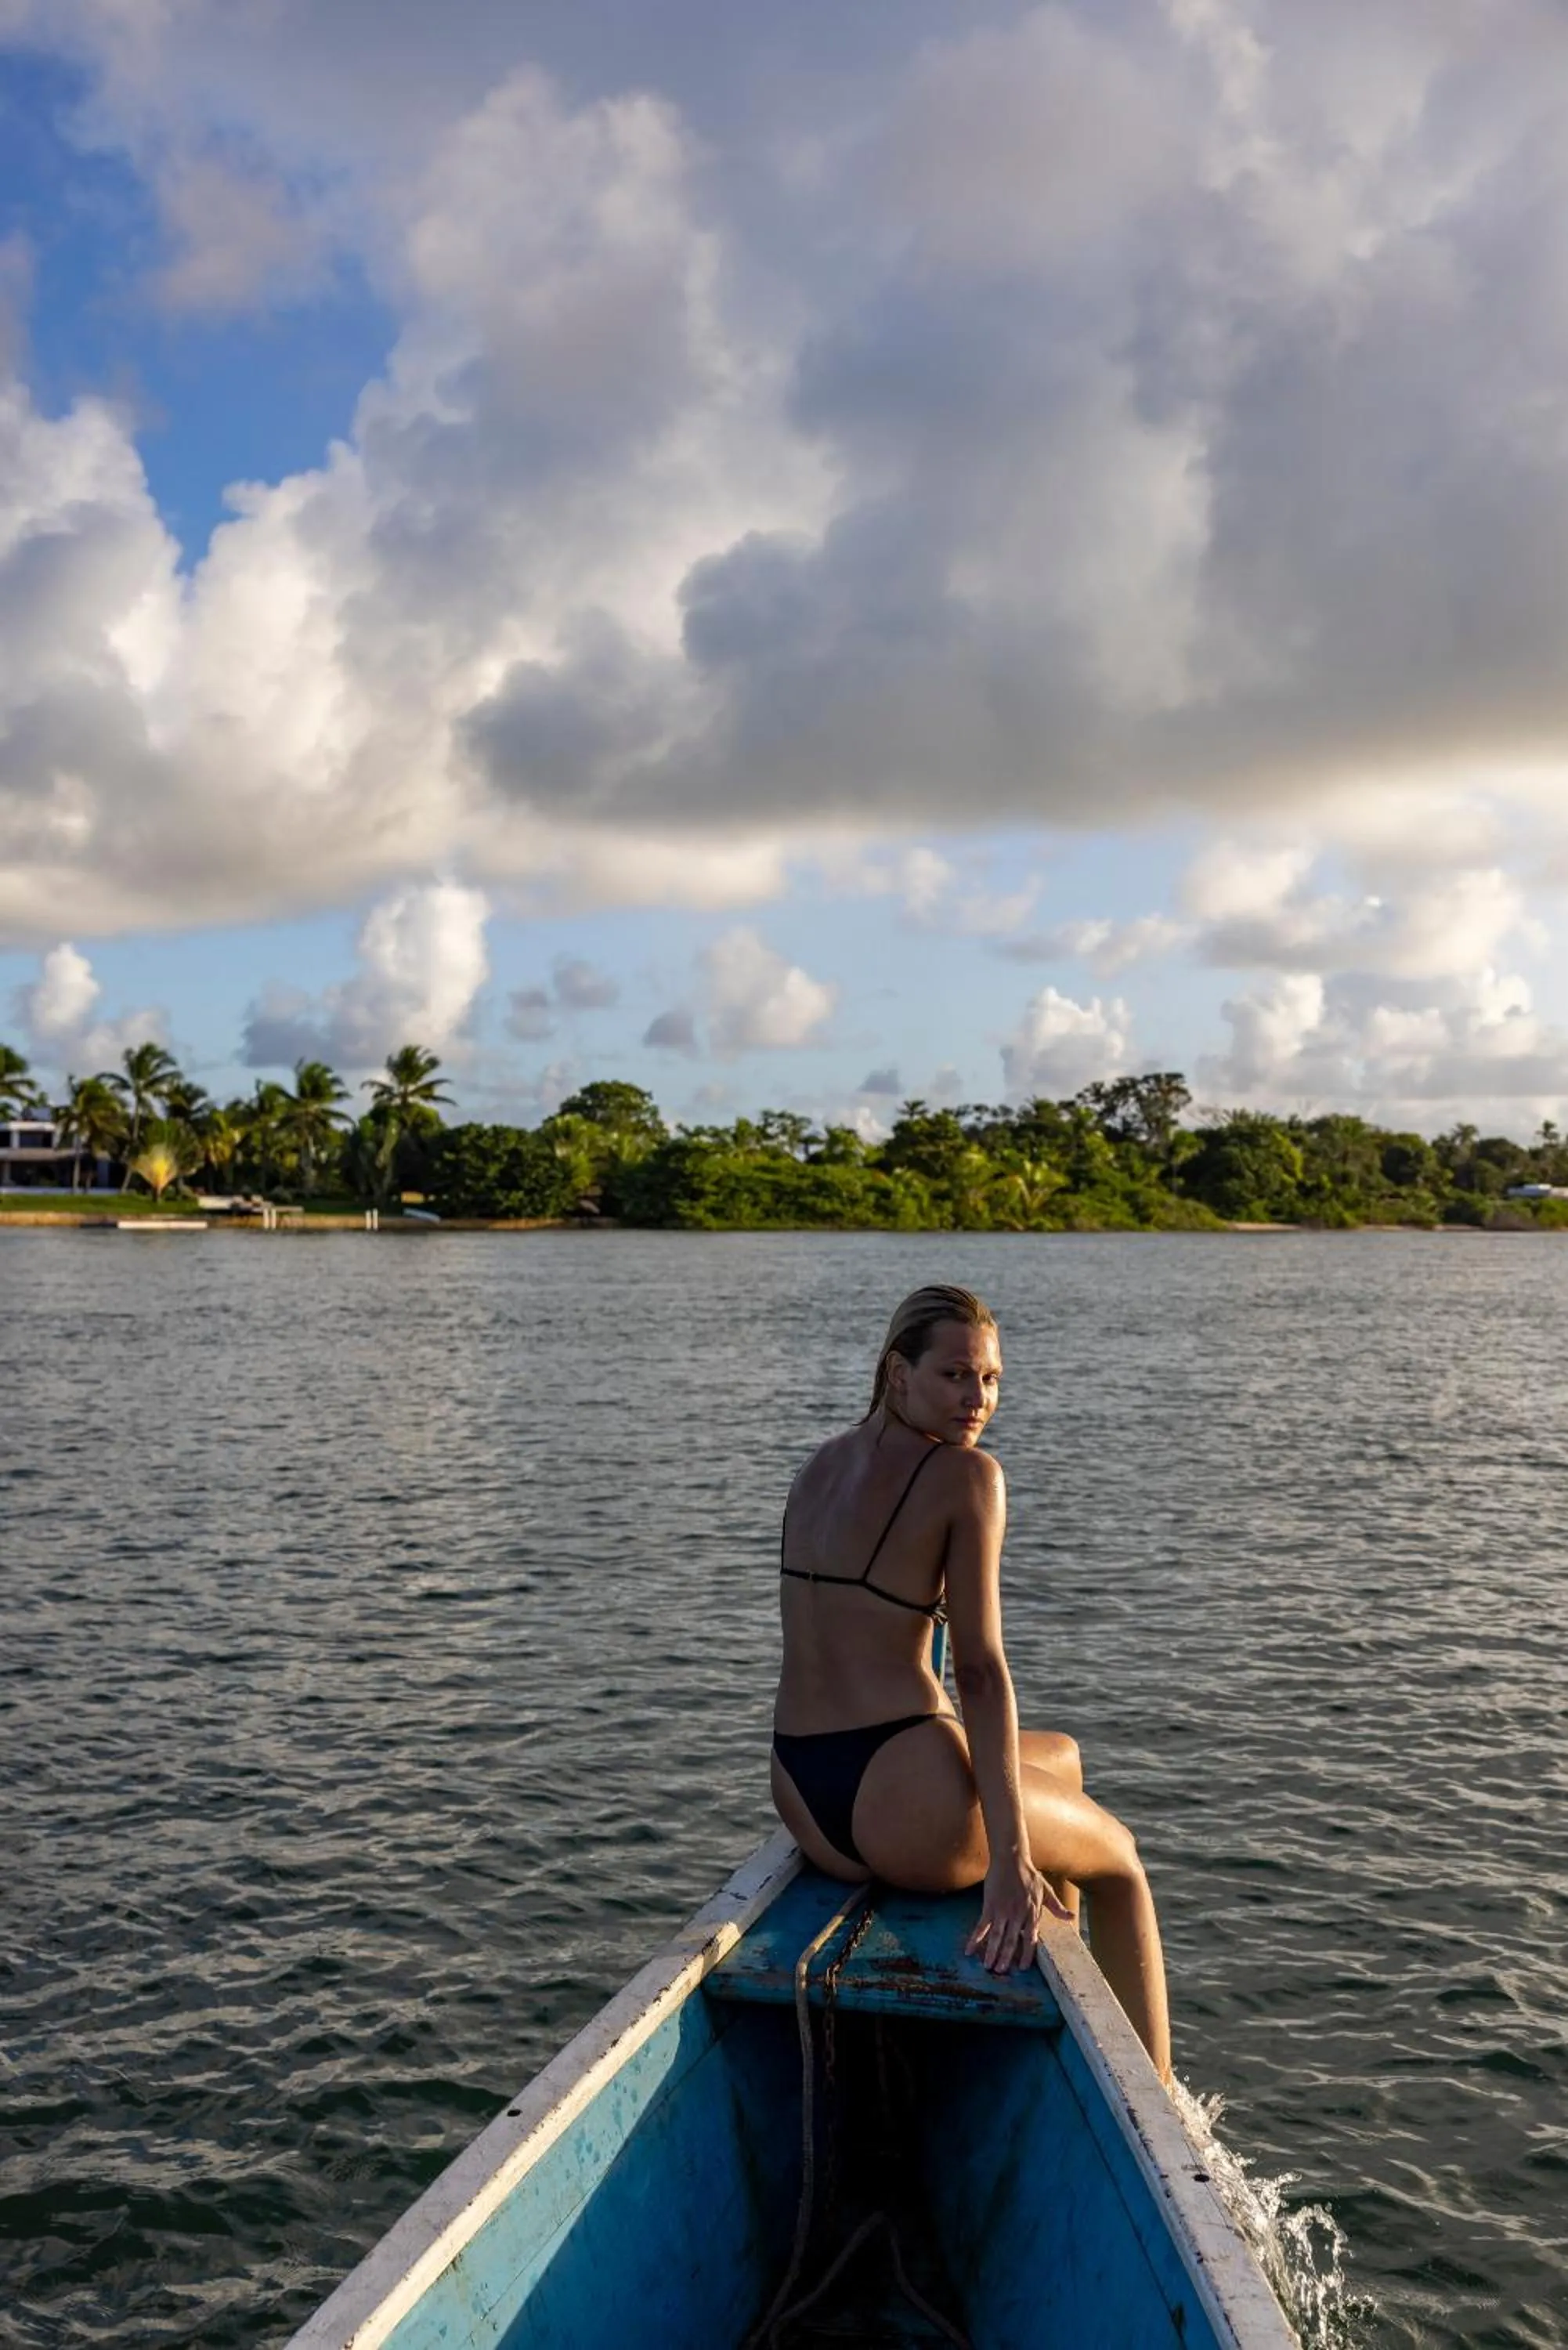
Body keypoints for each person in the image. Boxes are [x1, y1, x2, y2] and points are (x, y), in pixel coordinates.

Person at [771, 1282, 1172, 2084]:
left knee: (1059, 1757)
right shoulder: (966, 1477)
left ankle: (1043, 1972)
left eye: (989, 1380)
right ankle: (1163, 2116)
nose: (976, 1399)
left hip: (802, 1789)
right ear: (897, 1373)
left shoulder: (822, 1463)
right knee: (1122, 1860)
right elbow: (981, 1672)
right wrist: (1007, 1862)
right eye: (954, 1376)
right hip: (899, 1809)